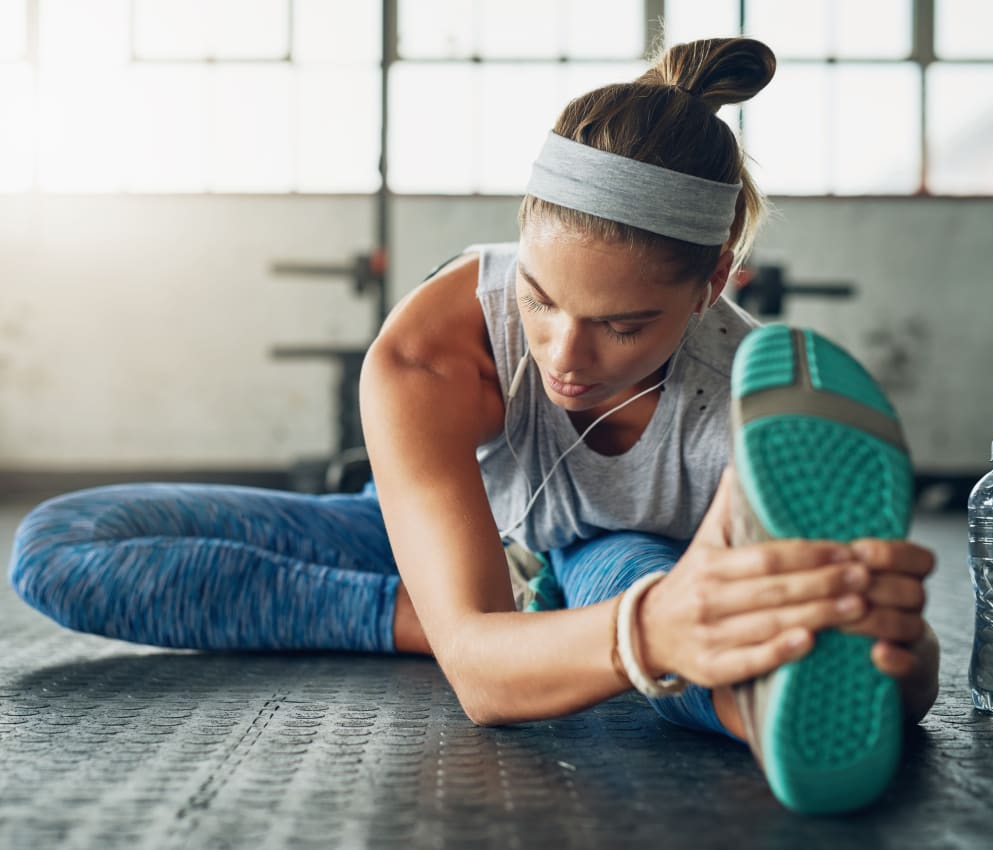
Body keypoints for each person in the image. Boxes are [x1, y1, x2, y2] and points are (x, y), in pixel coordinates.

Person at [9, 37, 938, 814]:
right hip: (435, 540)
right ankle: (471, 620)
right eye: (539, 299)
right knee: (58, 546)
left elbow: (730, 611)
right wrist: (490, 633)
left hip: (620, 567)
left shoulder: (749, 400)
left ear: (714, 276)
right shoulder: (431, 347)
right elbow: (485, 683)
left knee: (663, 594)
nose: (566, 356)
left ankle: (751, 704)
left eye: (623, 326)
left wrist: (894, 650)